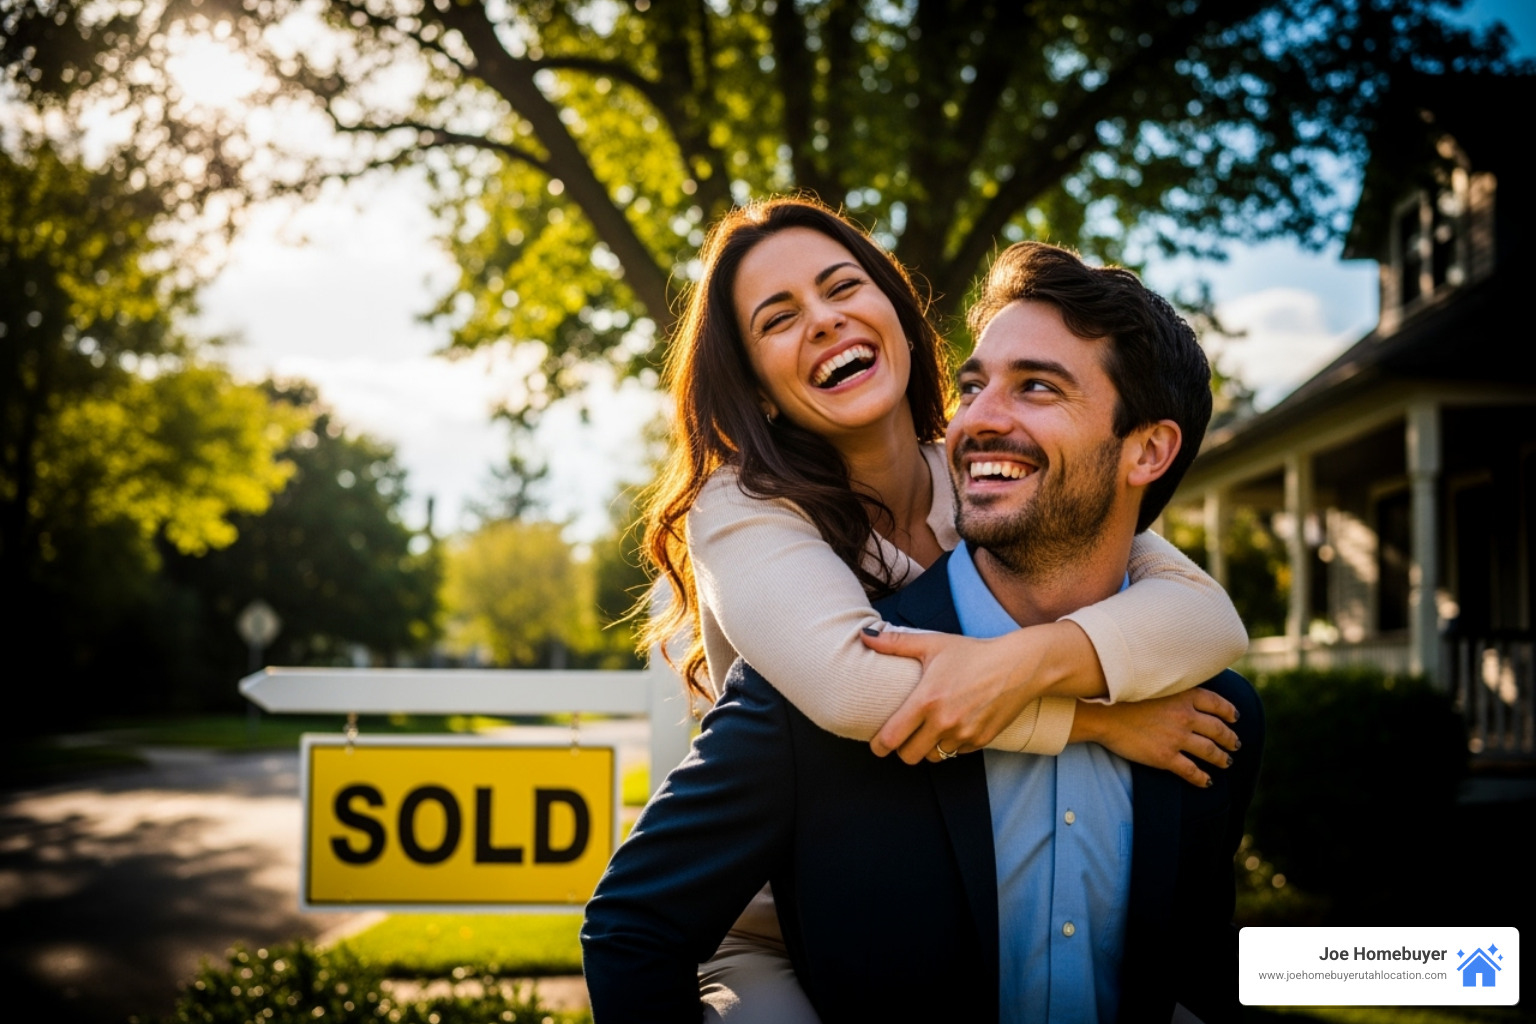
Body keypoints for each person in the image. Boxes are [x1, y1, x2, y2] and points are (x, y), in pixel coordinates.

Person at [584, 235, 1262, 1021]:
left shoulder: (974, 470)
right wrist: (1100, 721)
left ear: (903, 324)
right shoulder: (745, 508)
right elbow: (857, 688)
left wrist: (1045, 659)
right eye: (778, 319)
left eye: (842, 287)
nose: (824, 322)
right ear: (759, 387)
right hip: (764, 912)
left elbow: (1205, 614)